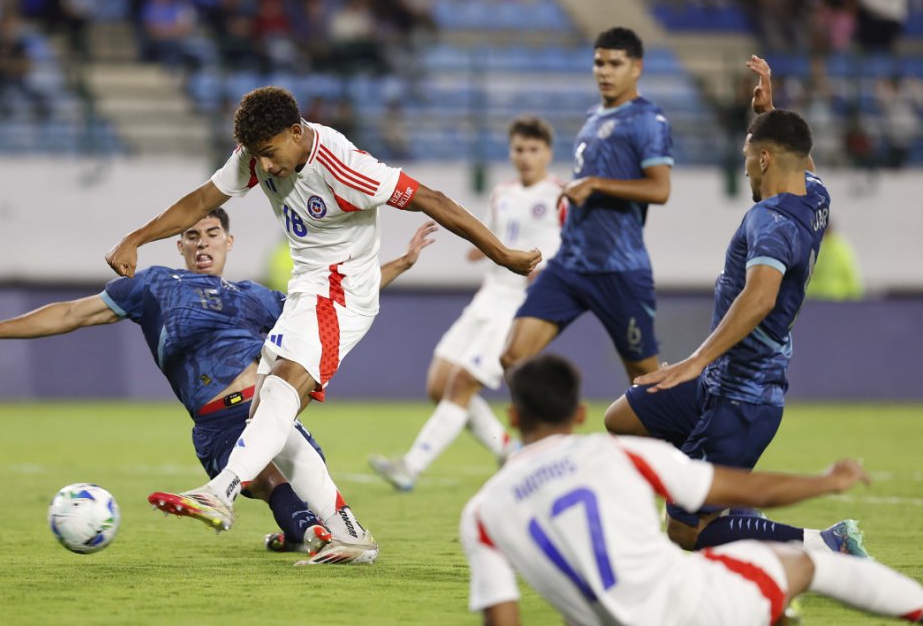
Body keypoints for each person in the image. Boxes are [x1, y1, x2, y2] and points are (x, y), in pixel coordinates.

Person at [104, 86, 540, 559]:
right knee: (269, 417)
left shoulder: (346, 168)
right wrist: (137, 237)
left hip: (342, 293)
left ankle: (221, 491)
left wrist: (503, 254)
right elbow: (202, 199)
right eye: (257, 157)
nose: (265, 167)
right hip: (306, 290)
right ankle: (349, 532)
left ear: (296, 132)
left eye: (270, 154)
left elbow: (431, 198)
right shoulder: (256, 155)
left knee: (280, 392)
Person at [0, 209, 438, 565]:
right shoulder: (154, 287)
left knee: (277, 458)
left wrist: (400, 263)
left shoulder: (257, 297)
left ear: (228, 242)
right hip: (218, 422)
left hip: (272, 409)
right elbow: (70, 313)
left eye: (212, 234)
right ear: (179, 245)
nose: (202, 244)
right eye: (192, 236)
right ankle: (311, 532)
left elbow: (333, 301)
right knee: (269, 482)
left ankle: (303, 529)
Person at [461, 353, 923, 626]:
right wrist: (826, 481)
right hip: (698, 605)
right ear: (580, 413)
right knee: (801, 567)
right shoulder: (622, 455)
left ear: (514, 418)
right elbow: (747, 487)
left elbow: (503, 617)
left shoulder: (482, 513)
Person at [605, 61, 860, 554]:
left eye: (747, 155)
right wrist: (768, 111)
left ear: (764, 160)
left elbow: (760, 297)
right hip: (719, 380)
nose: (743, 164)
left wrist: (694, 359)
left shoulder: (771, 222)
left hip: (742, 397)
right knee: (623, 419)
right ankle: (722, 495)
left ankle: (826, 543)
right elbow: (795, 152)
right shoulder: (816, 195)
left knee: (684, 532)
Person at [369, 116, 565, 491]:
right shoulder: (502, 193)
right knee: (437, 384)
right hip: (488, 296)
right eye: (519, 149)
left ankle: (410, 466)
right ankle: (508, 448)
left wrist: (552, 272)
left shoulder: (560, 194)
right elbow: (495, 236)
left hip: (520, 304)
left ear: (548, 153)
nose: (525, 157)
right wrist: (481, 251)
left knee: (461, 383)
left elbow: (572, 245)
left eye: (534, 150)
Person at [499, 27, 672, 387]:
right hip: (570, 264)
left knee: (646, 383)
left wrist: (595, 185)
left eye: (615, 63)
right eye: (598, 63)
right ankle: (550, 439)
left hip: (619, 269)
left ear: (637, 67)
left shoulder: (648, 121)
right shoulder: (594, 119)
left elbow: (660, 188)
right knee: (513, 358)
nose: (604, 72)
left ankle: (672, 443)